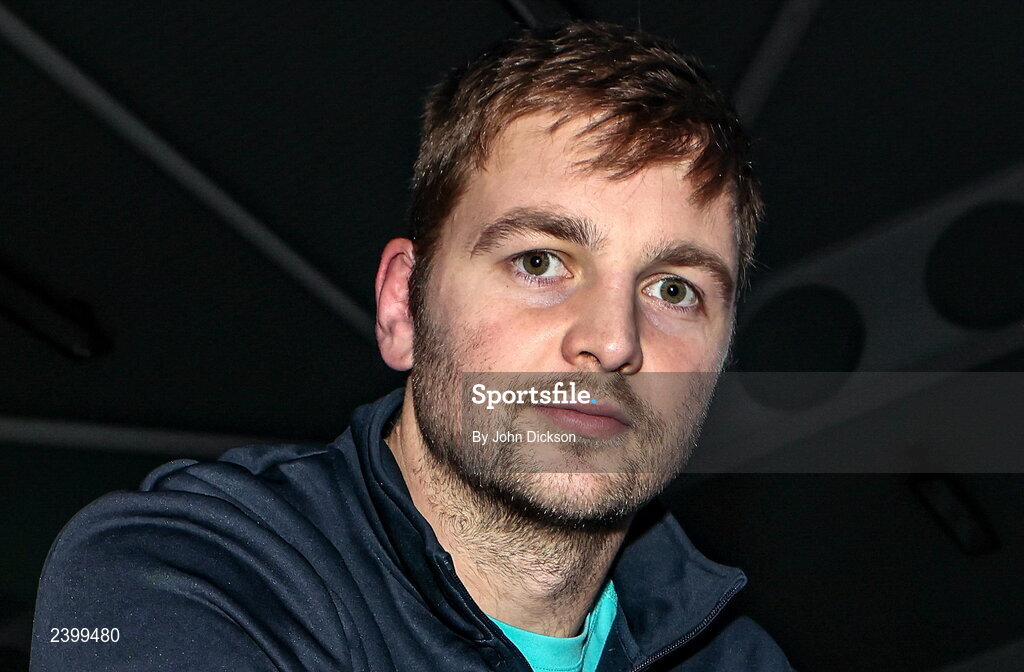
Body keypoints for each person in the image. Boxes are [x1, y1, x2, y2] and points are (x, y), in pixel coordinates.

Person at [31, 22, 793, 672]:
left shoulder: (739, 659)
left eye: (674, 291)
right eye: (539, 262)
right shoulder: (184, 573)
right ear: (403, 306)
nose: (614, 340)